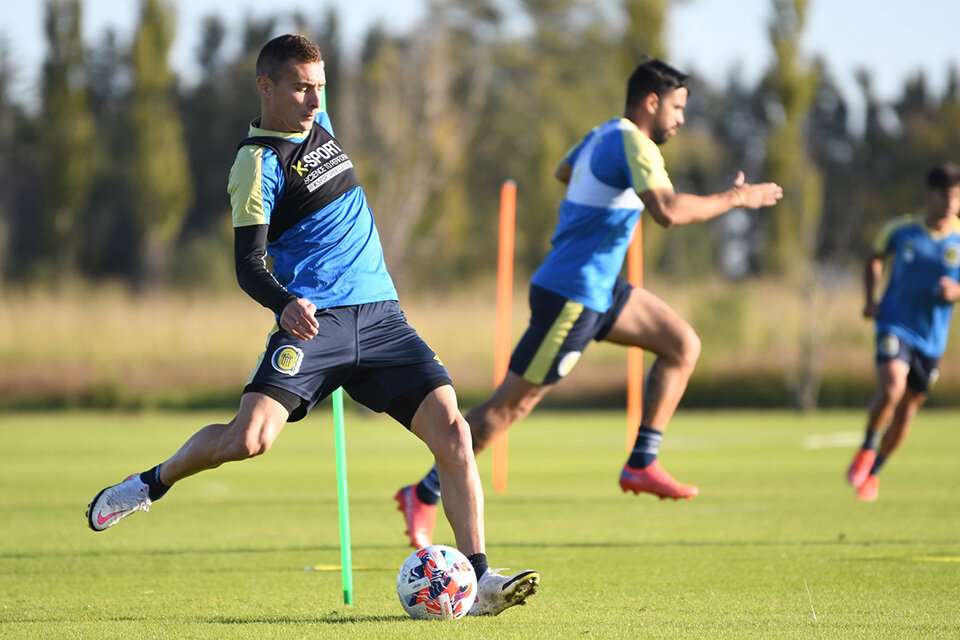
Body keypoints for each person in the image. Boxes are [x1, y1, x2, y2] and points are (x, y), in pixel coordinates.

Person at [86, 34, 538, 616]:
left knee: (455, 435)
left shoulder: (320, 124)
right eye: (302, 87)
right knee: (248, 440)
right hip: (313, 326)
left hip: (382, 319)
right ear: (265, 87)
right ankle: (150, 483)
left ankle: (479, 582)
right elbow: (248, 265)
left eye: (321, 87)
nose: (315, 101)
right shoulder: (256, 165)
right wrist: (283, 304)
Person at [395, 59, 783, 548]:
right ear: (651, 102)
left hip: (601, 288)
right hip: (571, 295)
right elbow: (666, 211)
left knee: (682, 343)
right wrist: (736, 199)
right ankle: (424, 492)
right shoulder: (634, 144)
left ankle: (642, 461)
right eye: (678, 108)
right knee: (507, 410)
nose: (681, 119)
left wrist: (597, 196)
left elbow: (563, 171)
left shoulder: (602, 135)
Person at [846, 163, 960, 501]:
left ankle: (875, 472)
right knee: (892, 387)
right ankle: (867, 446)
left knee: (908, 410)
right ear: (931, 196)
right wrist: (870, 298)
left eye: (958, 197)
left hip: (932, 338)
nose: (953, 204)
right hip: (894, 322)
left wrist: (955, 291)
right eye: (948, 196)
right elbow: (874, 257)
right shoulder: (902, 229)